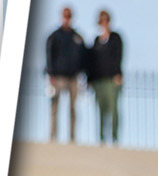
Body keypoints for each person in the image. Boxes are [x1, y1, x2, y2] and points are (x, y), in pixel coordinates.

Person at [44, 7, 88, 143]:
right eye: (65, 16)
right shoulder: (54, 36)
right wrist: (50, 74)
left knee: (73, 108)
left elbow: (84, 56)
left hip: (73, 78)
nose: (67, 18)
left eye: (69, 16)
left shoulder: (78, 37)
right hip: (57, 77)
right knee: (54, 108)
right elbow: (49, 55)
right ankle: (53, 138)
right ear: (61, 17)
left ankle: (72, 138)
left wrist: (83, 72)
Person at [87, 9, 123, 146]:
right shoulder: (97, 41)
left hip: (112, 80)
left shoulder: (115, 38)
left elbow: (119, 56)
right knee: (101, 110)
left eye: (106, 20)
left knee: (113, 109)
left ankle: (114, 137)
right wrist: (90, 80)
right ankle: (101, 139)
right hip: (98, 81)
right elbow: (92, 61)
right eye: (101, 20)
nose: (104, 23)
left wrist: (117, 74)